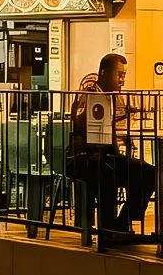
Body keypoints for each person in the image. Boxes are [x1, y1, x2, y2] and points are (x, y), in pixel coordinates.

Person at [66, 53, 155, 235]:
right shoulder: (88, 94)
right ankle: (107, 230)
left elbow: (119, 124)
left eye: (124, 75)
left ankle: (124, 221)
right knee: (107, 173)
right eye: (119, 75)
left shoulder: (116, 98)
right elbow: (80, 121)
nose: (122, 80)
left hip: (108, 155)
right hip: (82, 157)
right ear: (104, 73)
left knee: (148, 172)